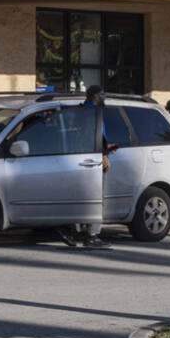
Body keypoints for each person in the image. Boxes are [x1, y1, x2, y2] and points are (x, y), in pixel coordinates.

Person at [58, 85, 114, 249]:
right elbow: (97, 137)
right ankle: (92, 235)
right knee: (97, 198)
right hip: (92, 159)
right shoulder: (93, 113)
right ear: (95, 96)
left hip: (76, 158)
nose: (104, 97)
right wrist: (104, 155)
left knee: (78, 195)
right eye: (102, 94)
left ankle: (73, 230)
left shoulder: (78, 111)